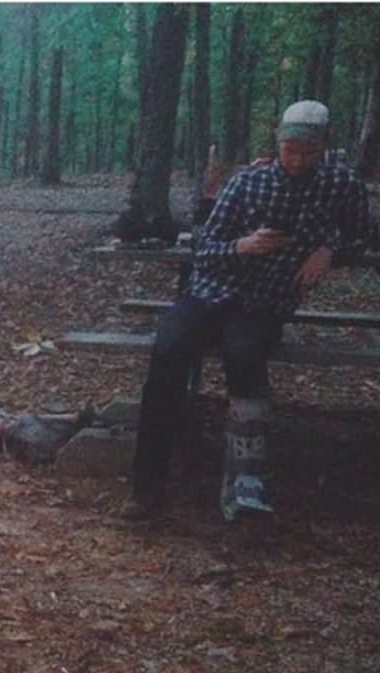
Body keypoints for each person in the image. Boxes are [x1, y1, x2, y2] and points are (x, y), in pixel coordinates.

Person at [123, 100, 372, 521]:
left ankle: (244, 481)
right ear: (278, 143)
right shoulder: (248, 183)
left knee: (245, 357)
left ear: (325, 146)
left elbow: (361, 235)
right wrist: (244, 246)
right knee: (168, 351)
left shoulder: (341, 184)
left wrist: (331, 251)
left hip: (266, 301)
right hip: (211, 290)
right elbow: (204, 249)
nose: (296, 159)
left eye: (307, 151)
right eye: (289, 149)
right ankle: (146, 483)